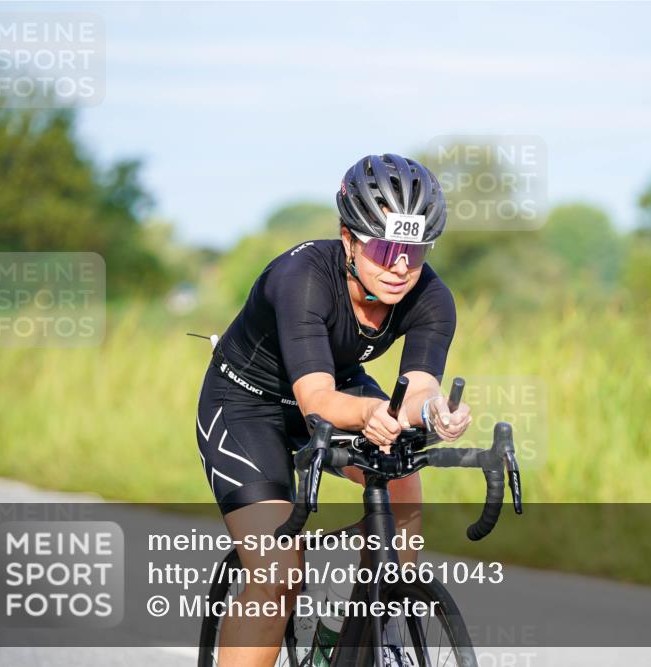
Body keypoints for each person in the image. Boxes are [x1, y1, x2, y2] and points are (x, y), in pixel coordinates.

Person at [195, 153, 472, 666]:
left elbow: (417, 390)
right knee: (277, 577)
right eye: (385, 247)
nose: (400, 266)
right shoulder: (301, 276)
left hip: (339, 383)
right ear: (349, 239)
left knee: (401, 473)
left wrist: (434, 413)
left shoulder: (432, 296)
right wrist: (369, 415)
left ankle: (362, 631)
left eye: (415, 250)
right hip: (247, 404)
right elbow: (317, 402)